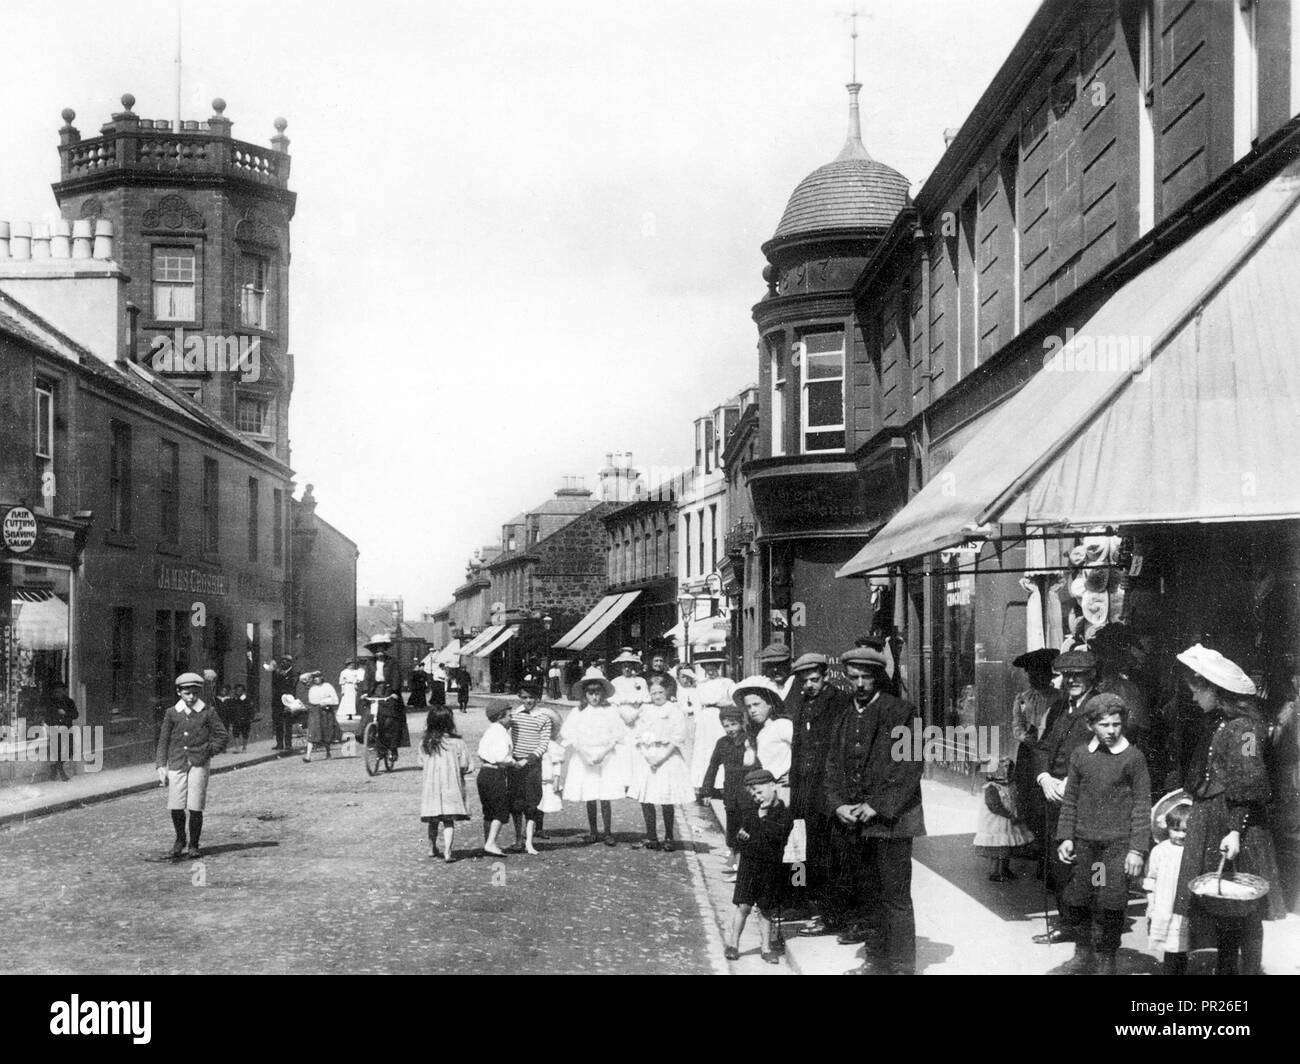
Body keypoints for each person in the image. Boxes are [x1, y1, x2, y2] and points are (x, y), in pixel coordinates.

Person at [1170, 644, 1285, 976]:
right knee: (1224, 907)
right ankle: (1226, 970)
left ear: (1213, 688)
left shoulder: (1246, 728)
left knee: (1245, 908)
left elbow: (1249, 777)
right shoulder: (1219, 721)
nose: (1193, 698)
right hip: (1214, 818)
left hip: (1237, 823)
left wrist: (1235, 829)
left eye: (1196, 691)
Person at [823, 645, 925, 976]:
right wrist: (838, 804)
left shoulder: (902, 712)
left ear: (877, 677)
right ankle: (876, 958)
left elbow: (909, 765)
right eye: (854, 677)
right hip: (853, 824)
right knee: (867, 894)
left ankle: (901, 967)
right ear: (846, 678)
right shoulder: (842, 716)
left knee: (894, 896)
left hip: (892, 823)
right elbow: (832, 768)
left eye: (867, 677)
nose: (861, 684)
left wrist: (876, 805)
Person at [1055, 693, 1151, 975]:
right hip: (1086, 845)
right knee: (1081, 897)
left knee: (1110, 902)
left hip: (1116, 846)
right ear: (1090, 725)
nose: (1111, 731)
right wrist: (1067, 837)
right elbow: (1070, 800)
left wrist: (1136, 849)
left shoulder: (1133, 758)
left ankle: (1107, 956)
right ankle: (1083, 952)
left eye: (1116, 724)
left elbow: (1142, 806)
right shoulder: (1081, 756)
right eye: (1104, 725)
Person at [1030, 649, 1102, 944]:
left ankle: (1093, 924)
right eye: (1067, 675)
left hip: (1084, 796)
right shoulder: (1061, 707)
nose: (1072, 680)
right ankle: (1068, 921)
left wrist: (1071, 781)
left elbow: (1108, 750)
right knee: (1059, 861)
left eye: (1078, 675)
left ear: (1091, 676)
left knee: (1086, 861)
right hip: (1055, 794)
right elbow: (1043, 746)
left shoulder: (1101, 707)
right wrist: (1044, 777)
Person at [786, 652, 851, 936]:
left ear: (825, 677)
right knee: (808, 851)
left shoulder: (839, 702)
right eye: (805, 680)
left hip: (829, 792)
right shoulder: (802, 703)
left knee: (830, 856)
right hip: (806, 791)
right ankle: (811, 906)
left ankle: (831, 915)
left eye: (814, 679)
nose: (810, 684)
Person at [155, 672, 229, 859]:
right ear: (179, 692)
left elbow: (222, 735)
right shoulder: (172, 713)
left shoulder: (207, 712)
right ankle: (180, 840)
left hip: (199, 763)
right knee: (176, 804)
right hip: (177, 762)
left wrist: (208, 750)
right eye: (187, 693)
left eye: (195, 693)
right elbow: (163, 739)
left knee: (195, 805)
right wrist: (160, 764)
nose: (192, 697)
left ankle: (194, 844)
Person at [724, 767, 793, 964]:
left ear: (773, 786)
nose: (756, 797)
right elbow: (741, 839)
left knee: (766, 909)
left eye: (759, 791)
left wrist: (762, 818)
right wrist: (741, 837)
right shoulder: (750, 812)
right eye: (753, 794)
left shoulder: (784, 814)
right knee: (743, 906)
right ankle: (733, 944)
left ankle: (766, 947)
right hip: (749, 866)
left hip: (770, 869)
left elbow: (776, 837)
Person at [560, 668, 627, 845]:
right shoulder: (578, 712)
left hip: (605, 757)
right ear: (585, 694)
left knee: (605, 795)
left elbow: (617, 734)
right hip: (585, 757)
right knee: (589, 794)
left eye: (597, 693)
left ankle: (607, 832)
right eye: (591, 693)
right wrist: (584, 754)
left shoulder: (610, 710)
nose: (594, 697)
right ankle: (593, 831)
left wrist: (603, 753)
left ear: (603, 693)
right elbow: (570, 735)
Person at [632, 675, 693, 850]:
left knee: (667, 797)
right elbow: (639, 734)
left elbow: (677, 737)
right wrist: (647, 755)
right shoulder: (645, 710)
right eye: (653, 692)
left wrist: (661, 758)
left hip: (667, 756)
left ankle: (669, 836)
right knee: (646, 797)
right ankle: (651, 836)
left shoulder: (673, 710)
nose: (657, 696)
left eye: (660, 692)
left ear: (667, 691)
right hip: (648, 756)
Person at [701, 705, 757, 881]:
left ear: (741, 723)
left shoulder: (750, 741)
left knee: (744, 829)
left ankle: (742, 870)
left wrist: (750, 749)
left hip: (747, 793)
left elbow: (755, 766)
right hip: (730, 792)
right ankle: (735, 862)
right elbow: (713, 766)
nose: (730, 729)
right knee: (732, 827)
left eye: (733, 724)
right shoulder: (722, 743)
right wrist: (707, 790)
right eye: (726, 726)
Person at [1144, 800, 1192, 975]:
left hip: (1184, 907)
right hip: (1165, 905)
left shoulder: (1192, 851)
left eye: (1185, 831)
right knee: (1170, 946)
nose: (1180, 835)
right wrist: (1151, 904)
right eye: (1176, 830)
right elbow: (1151, 879)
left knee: (1182, 945)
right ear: (1167, 828)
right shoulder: (1160, 851)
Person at [419, 707, 471, 862]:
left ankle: (431, 847)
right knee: (449, 821)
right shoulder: (457, 743)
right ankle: (448, 851)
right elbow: (466, 765)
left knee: (432, 821)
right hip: (451, 787)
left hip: (432, 788)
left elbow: (421, 762)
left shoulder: (425, 742)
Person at [507, 682, 552, 854]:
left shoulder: (543, 718)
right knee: (516, 802)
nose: (528, 701)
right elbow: (504, 736)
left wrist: (529, 759)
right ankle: (518, 839)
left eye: (531, 697)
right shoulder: (513, 716)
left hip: (532, 765)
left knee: (531, 803)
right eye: (524, 697)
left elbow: (543, 744)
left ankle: (529, 842)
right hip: (514, 764)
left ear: (538, 698)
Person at [975, 754, 1034, 882]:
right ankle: (995, 872)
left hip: (1008, 820)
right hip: (997, 821)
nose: (1006, 770)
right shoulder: (991, 787)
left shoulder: (1009, 786)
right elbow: (994, 806)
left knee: (1007, 846)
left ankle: (1005, 869)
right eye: (1003, 767)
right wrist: (1009, 815)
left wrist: (1016, 813)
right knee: (998, 847)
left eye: (1008, 767)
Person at [735, 677, 792, 805]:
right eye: (748, 707)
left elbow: (803, 748)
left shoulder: (782, 725)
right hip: (769, 787)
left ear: (770, 705)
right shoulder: (761, 732)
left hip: (785, 788)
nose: (752, 710)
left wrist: (795, 774)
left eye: (756, 704)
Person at [689, 650, 736, 797]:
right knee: (704, 749)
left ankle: (721, 784)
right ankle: (703, 784)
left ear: (718, 667)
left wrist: (723, 703)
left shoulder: (727, 682)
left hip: (720, 716)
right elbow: (697, 705)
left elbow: (735, 701)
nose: (711, 672)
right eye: (708, 669)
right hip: (705, 719)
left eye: (713, 668)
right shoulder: (700, 685)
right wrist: (697, 722)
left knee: (720, 747)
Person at [362, 634, 410, 759]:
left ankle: (393, 749)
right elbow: (367, 678)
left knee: (390, 721)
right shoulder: (370, 663)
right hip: (375, 690)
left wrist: (394, 691)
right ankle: (377, 747)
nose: (379, 652)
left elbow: (396, 676)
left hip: (388, 690)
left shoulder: (392, 662)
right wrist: (365, 692)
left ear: (385, 649)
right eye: (376, 649)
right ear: (373, 650)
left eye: (381, 648)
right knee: (371, 717)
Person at [476, 701, 514, 856]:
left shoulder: (490, 731)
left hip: (484, 773)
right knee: (500, 811)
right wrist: (514, 762)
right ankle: (491, 843)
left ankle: (488, 842)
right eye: (509, 715)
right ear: (500, 717)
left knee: (489, 811)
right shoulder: (501, 733)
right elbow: (501, 757)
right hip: (495, 774)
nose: (511, 718)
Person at [37, 681, 79, 782]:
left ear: (64, 691)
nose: (59, 693)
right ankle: (61, 773)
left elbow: (76, 715)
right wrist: (54, 723)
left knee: (71, 750)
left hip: (67, 729)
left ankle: (55, 767)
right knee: (58, 751)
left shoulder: (69, 702)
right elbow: (47, 717)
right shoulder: (51, 703)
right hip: (56, 730)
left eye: (61, 690)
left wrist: (65, 713)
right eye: (56, 691)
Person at [303, 671, 341, 762]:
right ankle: (308, 755)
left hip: (325, 712)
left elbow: (335, 700)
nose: (316, 679)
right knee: (312, 731)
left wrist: (326, 702)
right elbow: (311, 700)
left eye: (318, 677)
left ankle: (328, 752)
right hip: (314, 712)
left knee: (326, 732)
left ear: (322, 677)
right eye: (314, 678)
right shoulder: (312, 689)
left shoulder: (328, 686)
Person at [270, 655, 297, 751]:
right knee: (278, 723)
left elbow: (292, 688)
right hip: (277, 701)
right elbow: (274, 685)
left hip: (288, 701)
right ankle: (279, 744)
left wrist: (289, 704)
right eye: (282, 661)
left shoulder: (294, 673)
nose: (283, 663)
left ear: (290, 663)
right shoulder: (278, 672)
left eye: (285, 661)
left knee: (288, 723)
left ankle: (288, 744)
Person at [338, 658, 365, 724]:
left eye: (352, 664)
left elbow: (359, 678)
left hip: (353, 687)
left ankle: (353, 713)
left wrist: (357, 682)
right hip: (347, 686)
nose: (351, 665)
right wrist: (343, 689)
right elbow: (342, 681)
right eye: (350, 664)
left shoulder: (356, 671)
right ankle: (348, 713)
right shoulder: (344, 672)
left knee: (353, 700)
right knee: (347, 700)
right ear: (347, 665)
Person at [229, 683, 253, 753]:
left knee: (245, 734)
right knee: (235, 733)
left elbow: (250, 708)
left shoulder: (246, 699)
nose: (238, 691)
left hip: (245, 719)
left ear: (243, 691)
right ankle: (237, 748)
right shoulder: (234, 699)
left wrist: (250, 717)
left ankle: (244, 748)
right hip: (236, 718)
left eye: (240, 690)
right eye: (237, 690)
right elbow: (231, 708)